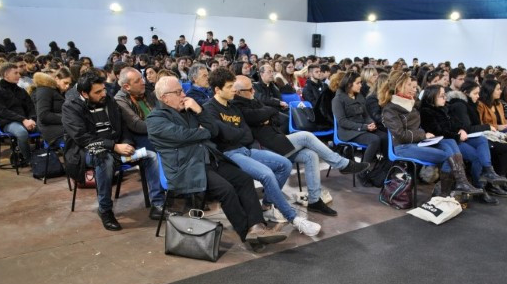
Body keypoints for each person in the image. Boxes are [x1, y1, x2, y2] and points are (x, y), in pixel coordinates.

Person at [146, 76, 287, 247]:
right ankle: (248, 235)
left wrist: (199, 111)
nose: (183, 94)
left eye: (182, 90)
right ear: (164, 97)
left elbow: (213, 130)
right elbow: (182, 136)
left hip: (208, 159)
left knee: (243, 179)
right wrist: (201, 132)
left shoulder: (189, 110)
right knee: (226, 190)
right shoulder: (154, 120)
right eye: (178, 92)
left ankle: (257, 226)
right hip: (186, 167)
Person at [200, 68, 321, 237]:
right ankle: (294, 218)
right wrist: (234, 133)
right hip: (229, 154)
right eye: (229, 87)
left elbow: (247, 134)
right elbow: (224, 135)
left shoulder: (233, 106)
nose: (234, 90)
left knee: (285, 164)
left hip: (246, 149)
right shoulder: (209, 109)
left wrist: (232, 133)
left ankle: (267, 204)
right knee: (267, 174)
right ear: (217, 90)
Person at [232, 75, 369, 216]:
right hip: (270, 146)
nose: (254, 91)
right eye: (250, 89)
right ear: (238, 92)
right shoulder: (236, 106)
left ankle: (314, 200)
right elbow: (260, 115)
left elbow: (276, 117)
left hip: (279, 140)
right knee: (306, 136)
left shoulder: (252, 100)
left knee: (311, 155)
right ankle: (342, 164)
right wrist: (268, 113)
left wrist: (267, 116)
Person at [62, 71, 166, 230]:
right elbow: (83, 139)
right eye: (98, 92)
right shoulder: (71, 107)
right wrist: (114, 146)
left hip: (115, 147)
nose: (103, 94)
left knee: (150, 156)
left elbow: (123, 127)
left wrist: (126, 143)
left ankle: (158, 204)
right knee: (104, 158)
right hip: (87, 151)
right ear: (84, 94)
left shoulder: (108, 100)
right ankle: (105, 210)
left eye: (103, 89)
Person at [381, 70, 482, 196]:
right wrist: (423, 135)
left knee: (450, 141)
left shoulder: (411, 103)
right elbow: (401, 135)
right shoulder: (390, 109)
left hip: (418, 142)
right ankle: (443, 193)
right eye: (409, 85)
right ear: (398, 86)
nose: (413, 88)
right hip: (403, 147)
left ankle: (461, 182)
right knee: (448, 157)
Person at [420, 84, 506, 204]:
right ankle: (480, 188)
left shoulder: (445, 107)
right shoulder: (426, 112)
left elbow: (458, 123)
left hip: (457, 137)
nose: (445, 98)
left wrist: (461, 129)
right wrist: (457, 135)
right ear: (432, 96)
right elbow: (437, 132)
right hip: (447, 141)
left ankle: (488, 171)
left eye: (445, 95)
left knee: (481, 139)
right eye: (442, 96)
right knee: (476, 157)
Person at [332, 71, 388, 185]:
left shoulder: (359, 96)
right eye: (358, 83)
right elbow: (342, 122)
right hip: (348, 131)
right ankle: (362, 172)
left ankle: (381, 172)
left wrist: (371, 123)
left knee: (385, 137)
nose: (361, 85)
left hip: (363, 127)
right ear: (349, 84)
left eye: (360, 82)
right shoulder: (338, 99)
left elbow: (366, 115)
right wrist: (364, 127)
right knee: (374, 140)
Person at [0, 62, 38, 166]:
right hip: (8, 122)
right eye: (15, 73)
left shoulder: (20, 90)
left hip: (26, 121)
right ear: (6, 75)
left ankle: (43, 157)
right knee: (22, 133)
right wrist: (23, 120)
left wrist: (32, 119)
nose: (19, 75)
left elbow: (31, 107)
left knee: (46, 128)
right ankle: (28, 159)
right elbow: (2, 111)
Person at [114, 67, 158, 151]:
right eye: (137, 81)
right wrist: (162, 125)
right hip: (142, 136)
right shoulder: (120, 100)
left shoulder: (148, 90)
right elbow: (136, 125)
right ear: (127, 86)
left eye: (142, 78)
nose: (143, 82)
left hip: (157, 129)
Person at [33, 68, 73, 145]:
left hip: (61, 125)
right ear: (57, 79)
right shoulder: (44, 90)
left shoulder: (58, 91)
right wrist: (68, 118)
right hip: (50, 129)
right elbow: (43, 116)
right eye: (65, 83)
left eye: (69, 84)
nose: (67, 86)